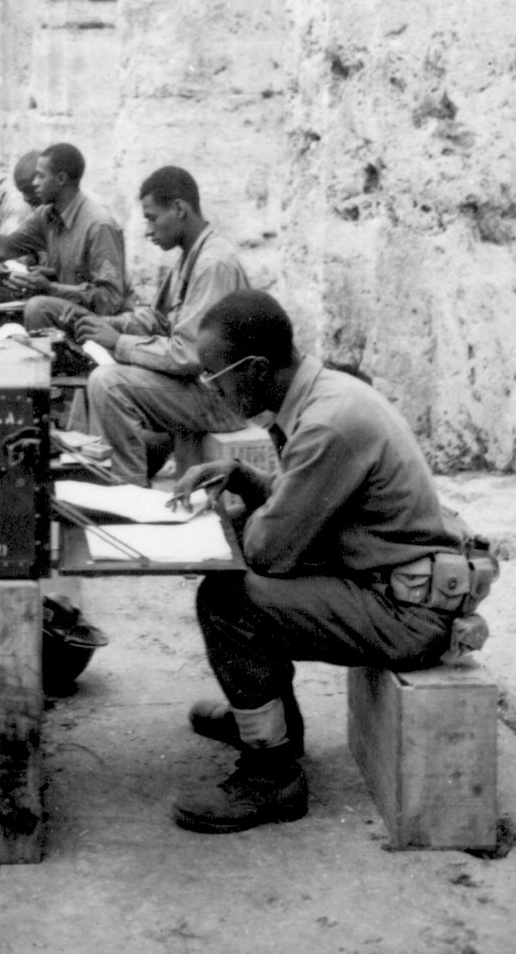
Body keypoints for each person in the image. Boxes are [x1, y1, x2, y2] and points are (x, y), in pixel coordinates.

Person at [167, 290, 495, 834]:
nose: (212, 388)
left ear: (253, 370)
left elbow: (271, 554)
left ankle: (273, 774)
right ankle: (270, 726)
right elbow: (314, 501)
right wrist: (244, 477)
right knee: (242, 587)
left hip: (407, 613)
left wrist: (248, 518)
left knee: (228, 600)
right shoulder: (327, 396)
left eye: (213, 375)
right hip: (391, 583)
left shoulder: (328, 423)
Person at [76, 167, 249, 483]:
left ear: (180, 209)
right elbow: (157, 320)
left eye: (152, 218)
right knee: (88, 367)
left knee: (108, 383)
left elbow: (188, 356)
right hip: (202, 389)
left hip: (223, 400)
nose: (148, 230)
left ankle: (130, 490)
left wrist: (118, 342)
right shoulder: (192, 255)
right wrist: (105, 325)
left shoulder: (213, 263)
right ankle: (93, 463)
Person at [0, 142, 130, 330]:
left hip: (104, 322)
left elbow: (110, 299)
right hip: (69, 308)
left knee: (37, 307)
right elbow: (0, 246)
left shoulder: (99, 225)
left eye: (40, 177)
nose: (34, 184)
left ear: (61, 179)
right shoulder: (47, 216)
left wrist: (51, 288)